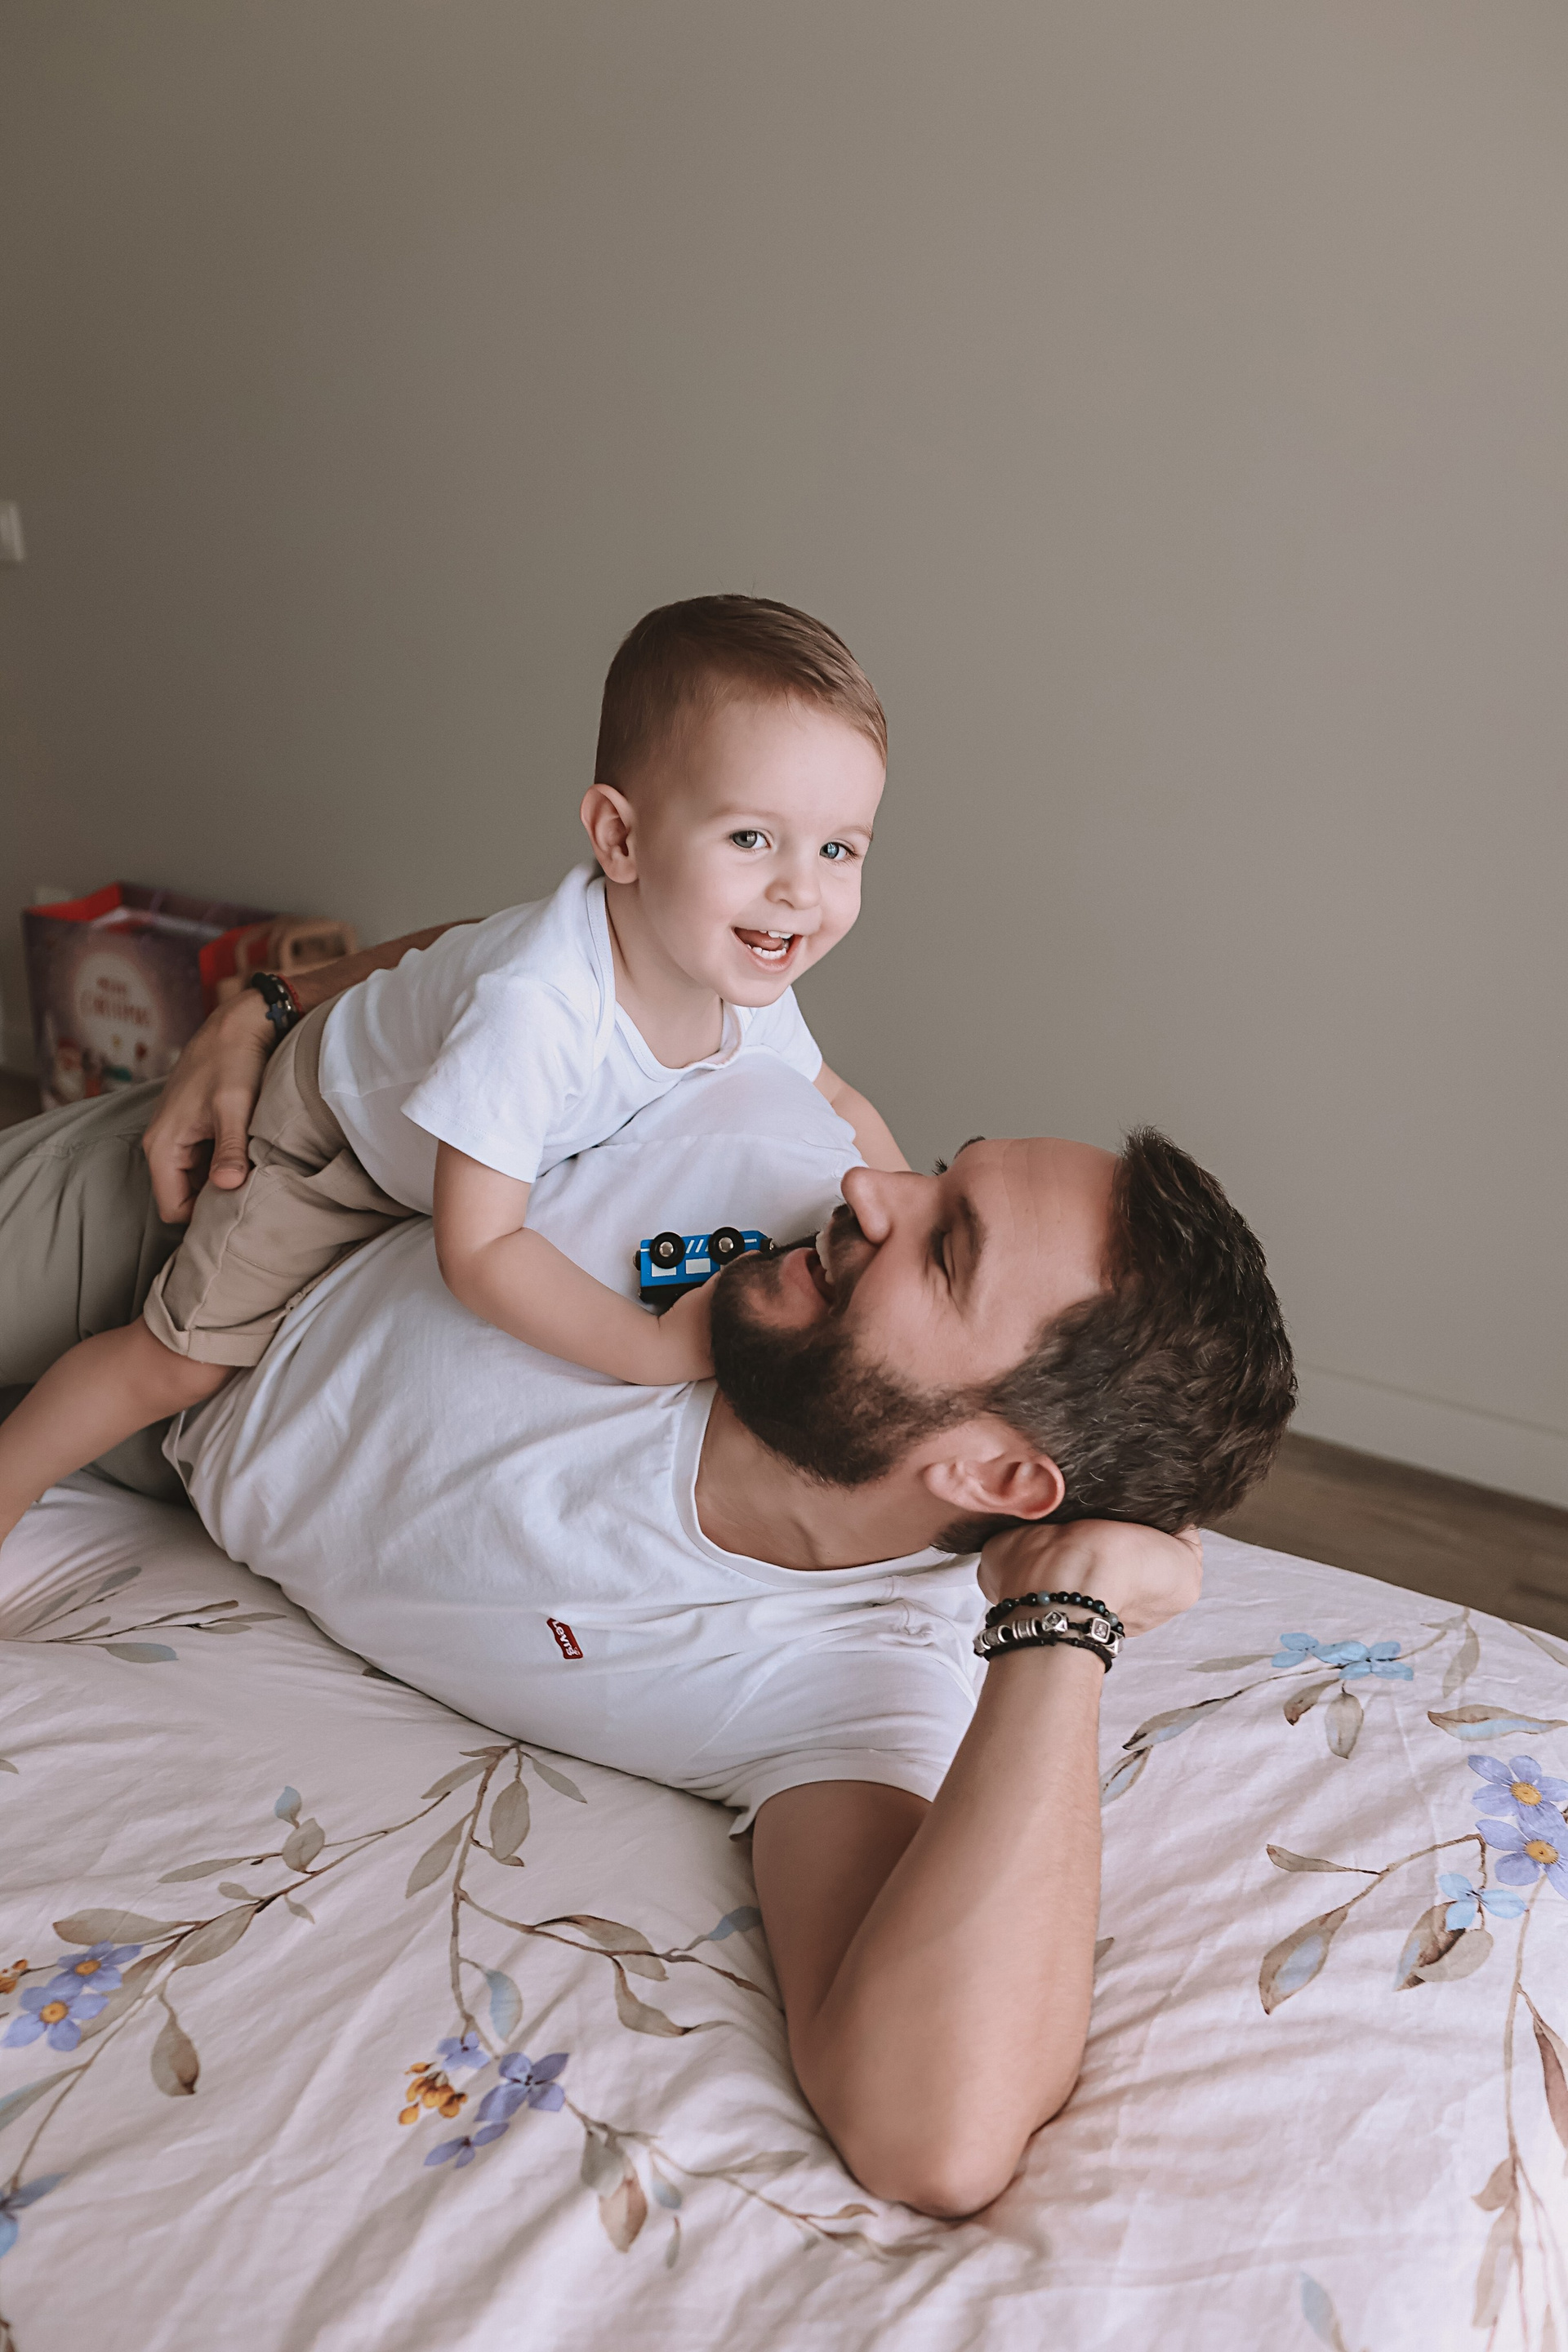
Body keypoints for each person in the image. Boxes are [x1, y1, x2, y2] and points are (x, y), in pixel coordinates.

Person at [0, 595, 906, 1550]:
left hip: (423, 1126)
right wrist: (645, 1346)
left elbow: (836, 1098)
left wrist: (901, 1204)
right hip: (327, 1138)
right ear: (620, 838)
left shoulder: (744, 986)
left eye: (838, 849)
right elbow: (478, 1252)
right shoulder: (539, 1009)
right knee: (181, 1361)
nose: (800, 890)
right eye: (751, 838)